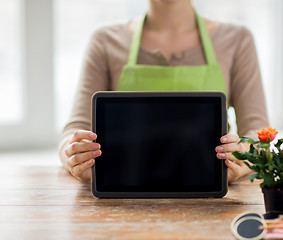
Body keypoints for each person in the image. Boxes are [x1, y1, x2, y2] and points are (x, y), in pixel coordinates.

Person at [59, 0, 269, 183]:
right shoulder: (105, 40)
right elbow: (74, 131)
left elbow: (260, 137)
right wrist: (75, 156)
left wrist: (244, 159)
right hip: (125, 189)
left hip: (210, 187)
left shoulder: (237, 39)